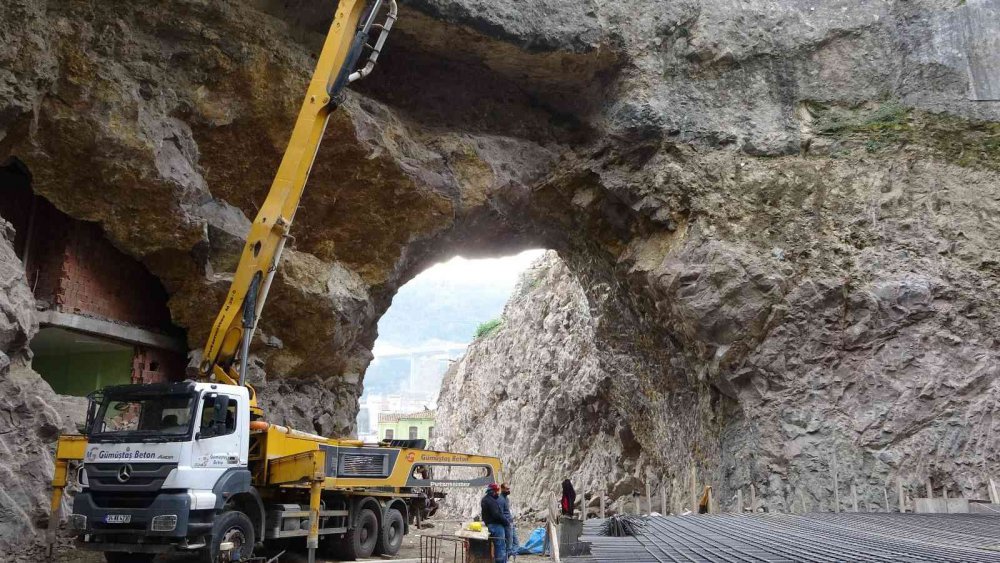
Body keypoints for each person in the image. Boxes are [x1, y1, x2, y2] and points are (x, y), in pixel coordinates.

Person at [481, 483, 507, 563]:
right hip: (496, 526)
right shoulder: (491, 501)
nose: (498, 493)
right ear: (493, 491)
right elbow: (497, 515)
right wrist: (506, 522)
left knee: (495, 546)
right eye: (497, 491)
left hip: (489, 525)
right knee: (500, 547)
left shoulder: (484, 499)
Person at [499, 483, 517, 557]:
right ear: (502, 489)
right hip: (507, 524)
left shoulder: (506, 499)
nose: (508, 490)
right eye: (507, 489)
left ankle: (510, 556)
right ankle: (506, 558)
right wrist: (507, 522)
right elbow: (500, 513)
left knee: (515, 542)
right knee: (509, 544)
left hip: (510, 523)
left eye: (509, 489)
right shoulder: (501, 499)